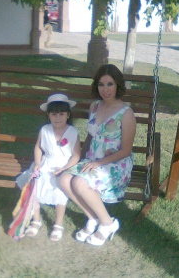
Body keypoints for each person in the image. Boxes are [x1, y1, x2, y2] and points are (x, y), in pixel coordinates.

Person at [59, 64, 137, 246]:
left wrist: (99, 163)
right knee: (64, 179)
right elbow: (90, 136)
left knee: (79, 182)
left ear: (118, 85)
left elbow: (125, 150)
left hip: (116, 164)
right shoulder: (94, 106)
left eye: (110, 84)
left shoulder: (126, 113)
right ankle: (93, 218)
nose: (105, 89)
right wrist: (78, 159)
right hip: (92, 159)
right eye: (101, 85)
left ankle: (108, 224)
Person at [24, 93, 81, 241]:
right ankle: (36, 220)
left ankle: (58, 224)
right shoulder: (44, 130)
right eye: (54, 114)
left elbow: (76, 156)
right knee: (35, 189)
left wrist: (64, 169)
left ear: (68, 115)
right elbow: (38, 147)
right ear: (48, 115)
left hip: (63, 166)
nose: (58, 118)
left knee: (59, 193)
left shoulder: (73, 132)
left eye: (61, 114)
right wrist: (37, 163)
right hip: (46, 163)